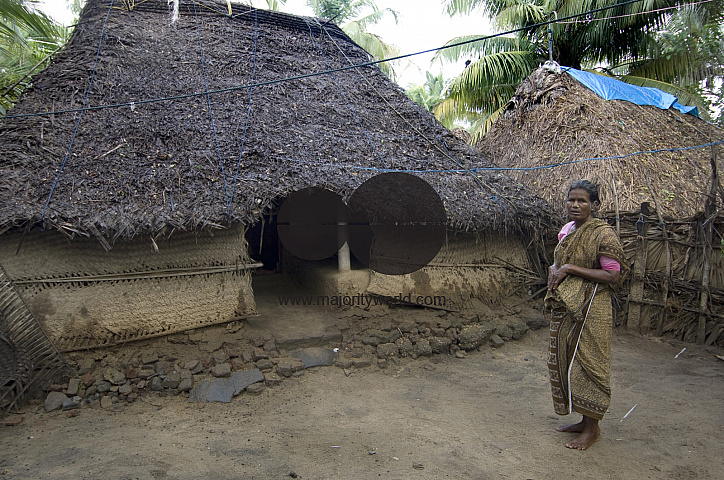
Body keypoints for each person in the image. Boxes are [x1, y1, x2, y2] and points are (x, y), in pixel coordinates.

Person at [545, 180, 628, 450]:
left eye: (582, 201)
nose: (575, 205)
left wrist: (569, 268)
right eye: (571, 200)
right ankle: (583, 420)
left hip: (593, 306)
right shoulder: (568, 230)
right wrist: (555, 269)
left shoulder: (603, 234)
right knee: (569, 361)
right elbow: (560, 261)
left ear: (594, 205)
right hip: (568, 305)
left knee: (591, 364)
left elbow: (612, 275)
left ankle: (592, 429)